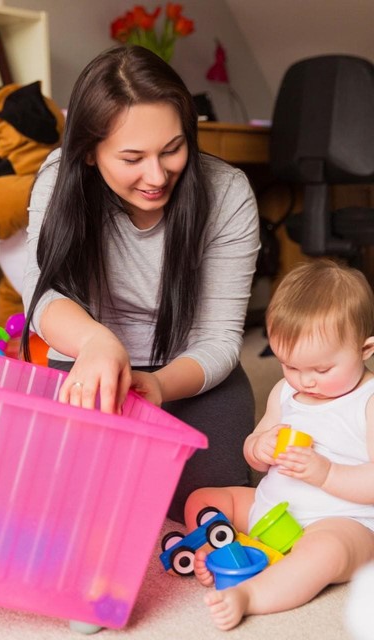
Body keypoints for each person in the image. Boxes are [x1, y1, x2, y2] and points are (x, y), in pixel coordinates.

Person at [21, 45, 260, 522]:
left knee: (206, 510)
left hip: (189, 379)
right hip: (89, 372)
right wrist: (97, 342)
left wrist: (156, 384)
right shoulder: (58, 178)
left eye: (172, 149)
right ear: (89, 153)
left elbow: (219, 339)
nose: (157, 175)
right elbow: (42, 291)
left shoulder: (228, 192)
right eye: (132, 157)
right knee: (64, 507)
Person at [185, 259, 374, 631]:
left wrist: (326, 473)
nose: (306, 381)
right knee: (202, 500)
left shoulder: (367, 401)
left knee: (325, 554)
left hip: (340, 523)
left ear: (366, 349)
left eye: (321, 370)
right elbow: (254, 453)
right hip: (270, 511)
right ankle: (228, 551)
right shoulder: (285, 391)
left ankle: (250, 594)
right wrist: (259, 447)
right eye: (290, 365)